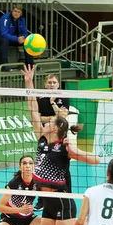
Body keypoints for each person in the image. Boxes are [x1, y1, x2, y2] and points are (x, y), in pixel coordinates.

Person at [23, 64, 100, 225]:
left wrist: (78, 152)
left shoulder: (65, 146)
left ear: (56, 128)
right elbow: (33, 109)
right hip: (47, 203)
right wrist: (29, 83)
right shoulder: (42, 140)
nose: (44, 124)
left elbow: (95, 160)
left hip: (64, 202)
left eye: (49, 123)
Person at [34, 74, 69, 211]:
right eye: (49, 82)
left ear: (58, 84)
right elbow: (37, 116)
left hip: (60, 136)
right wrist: (54, 118)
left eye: (54, 82)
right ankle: (41, 200)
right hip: (45, 135)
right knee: (42, 167)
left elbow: (63, 117)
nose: (52, 84)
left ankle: (65, 194)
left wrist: (53, 103)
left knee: (62, 167)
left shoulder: (64, 97)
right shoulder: (40, 97)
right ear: (45, 84)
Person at [0, 4, 34, 71]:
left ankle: (30, 66)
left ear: (21, 13)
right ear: (12, 11)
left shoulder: (22, 19)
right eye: (15, 11)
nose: (16, 13)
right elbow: (3, 33)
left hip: (11, 37)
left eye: (18, 12)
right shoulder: (5, 18)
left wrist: (23, 37)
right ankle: (5, 66)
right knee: (5, 40)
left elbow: (25, 32)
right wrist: (17, 39)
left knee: (28, 41)